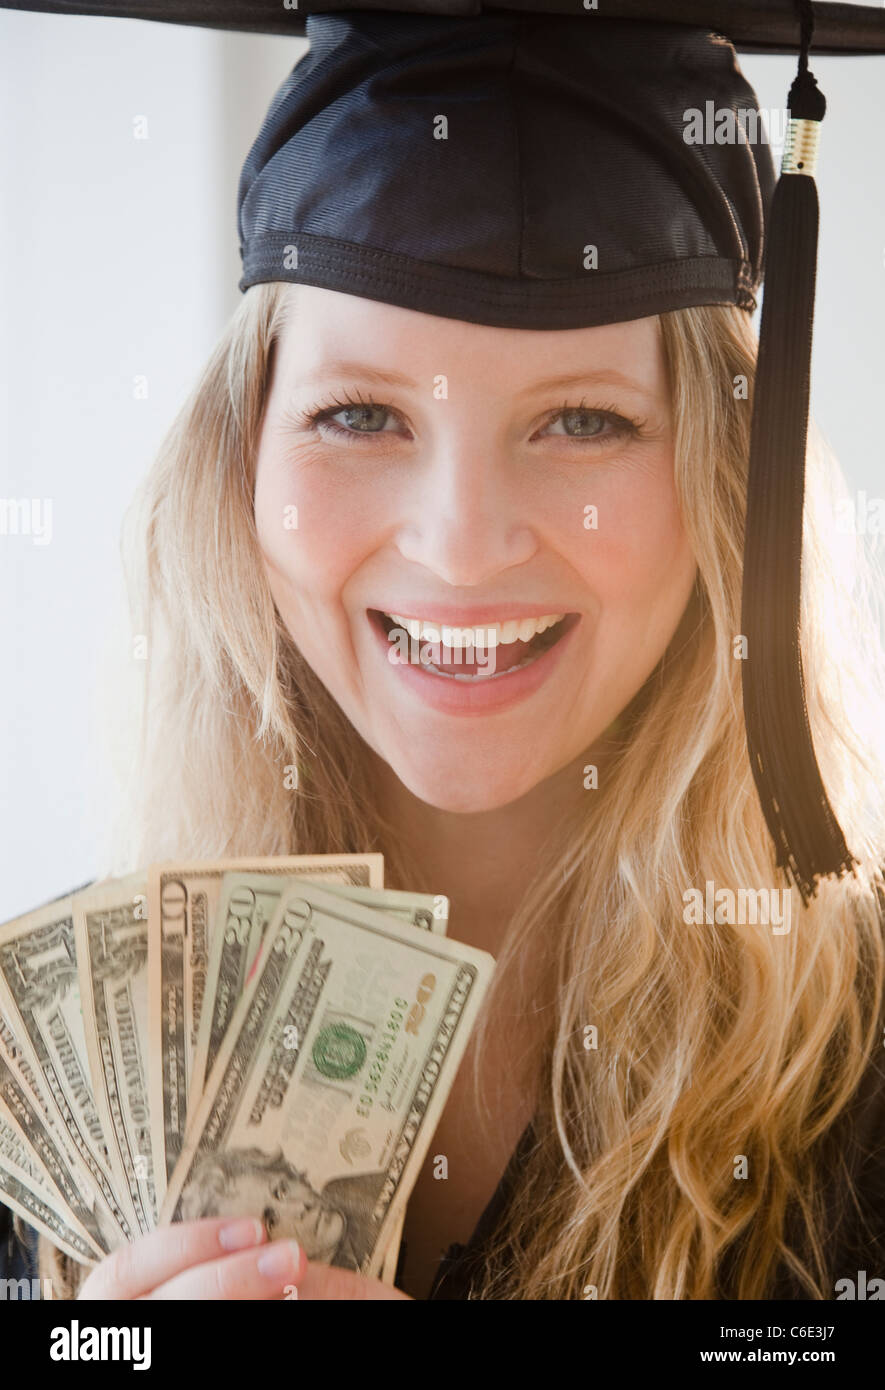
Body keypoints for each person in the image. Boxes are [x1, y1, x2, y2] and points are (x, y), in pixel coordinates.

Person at [3, 0, 885, 1302]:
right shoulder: (39, 1080)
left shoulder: (861, 1081)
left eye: (582, 419)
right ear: (236, 461)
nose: (461, 548)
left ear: (723, 484)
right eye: (358, 413)